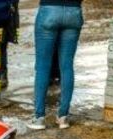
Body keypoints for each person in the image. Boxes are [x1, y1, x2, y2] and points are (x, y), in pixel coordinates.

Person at [29, 0, 83, 130]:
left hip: (49, 10)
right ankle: (63, 117)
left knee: (43, 66)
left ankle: (39, 118)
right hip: (73, 11)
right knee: (67, 66)